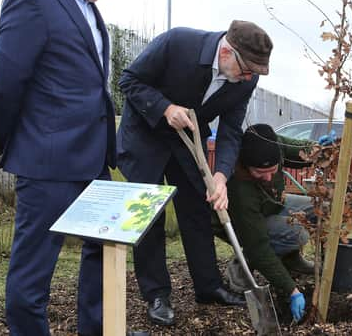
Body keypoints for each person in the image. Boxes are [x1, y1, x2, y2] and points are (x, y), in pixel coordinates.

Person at [0, 0, 130, 335]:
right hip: (47, 163)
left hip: (92, 161)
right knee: (32, 279)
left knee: (102, 256)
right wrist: (19, 145)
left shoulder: (88, 6)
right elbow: (4, 87)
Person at [116, 20, 273, 326]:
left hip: (189, 142)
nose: (249, 77)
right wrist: (165, 108)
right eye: (246, 69)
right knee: (149, 216)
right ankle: (157, 295)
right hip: (145, 136)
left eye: (255, 72)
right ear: (227, 51)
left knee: (197, 210)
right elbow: (129, 80)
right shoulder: (178, 43)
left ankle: (208, 286)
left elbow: (230, 131)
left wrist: (221, 176)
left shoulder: (245, 80)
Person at [215, 123, 325, 322]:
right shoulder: (240, 189)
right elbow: (258, 246)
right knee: (296, 231)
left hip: (271, 204)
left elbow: (302, 150)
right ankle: (241, 266)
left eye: (273, 170)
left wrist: (322, 150)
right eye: (259, 172)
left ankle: (290, 259)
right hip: (241, 223)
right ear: (248, 167)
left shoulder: (273, 144)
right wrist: (292, 291)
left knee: (321, 207)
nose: (267, 177)